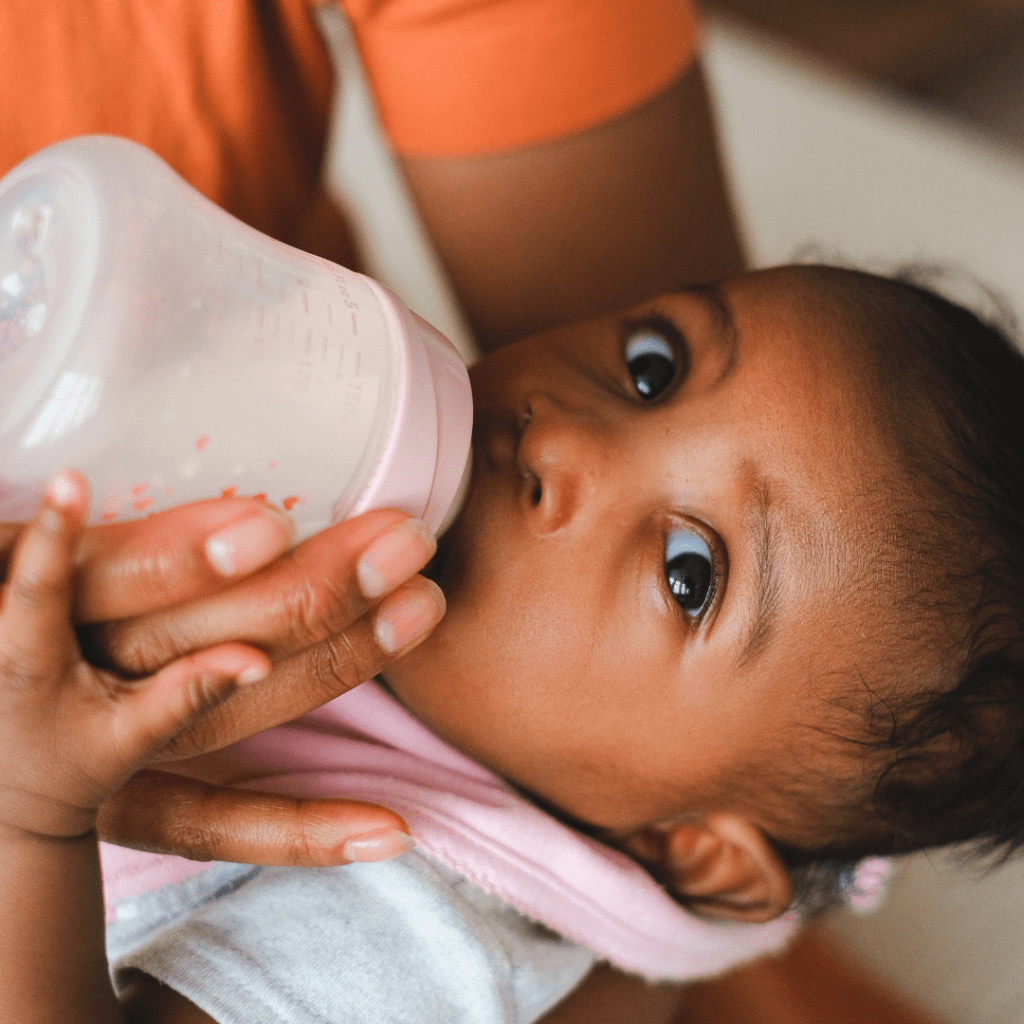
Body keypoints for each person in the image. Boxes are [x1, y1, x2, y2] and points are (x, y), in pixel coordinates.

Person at [2, 259, 1024, 1022]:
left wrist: (32, 815)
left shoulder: (420, 930)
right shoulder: (339, 455)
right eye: (651, 367)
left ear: (684, 845)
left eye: (688, 574)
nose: (563, 434)